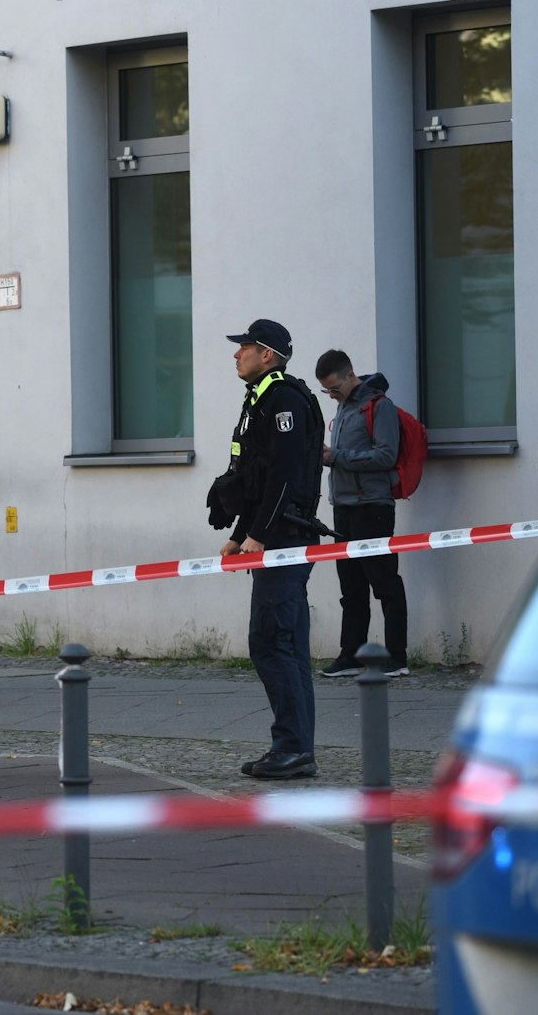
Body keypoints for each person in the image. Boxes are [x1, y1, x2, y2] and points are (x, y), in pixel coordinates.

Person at [206, 319, 324, 780]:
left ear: (268, 354)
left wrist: (262, 533)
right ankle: (297, 748)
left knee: (271, 642)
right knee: (287, 644)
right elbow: (257, 478)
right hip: (274, 536)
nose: (237, 354)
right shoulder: (261, 398)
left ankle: (292, 747)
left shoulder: (284, 400)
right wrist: (240, 534)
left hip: (286, 540)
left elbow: (286, 477)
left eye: (245, 348)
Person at [315, 350, 410, 678]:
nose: (331, 396)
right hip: (343, 508)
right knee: (351, 589)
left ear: (350, 375)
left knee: (385, 584)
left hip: (373, 508)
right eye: (326, 391)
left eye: (334, 389)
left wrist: (336, 456)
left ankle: (397, 658)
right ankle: (351, 655)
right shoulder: (343, 407)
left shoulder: (379, 406)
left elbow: (386, 456)